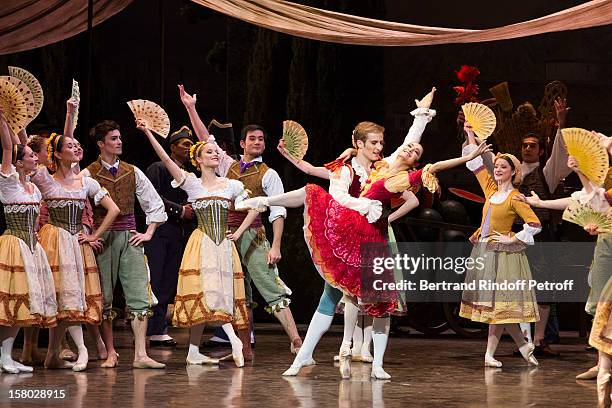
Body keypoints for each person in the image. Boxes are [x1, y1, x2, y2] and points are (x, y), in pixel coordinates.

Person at [238, 124, 491, 379]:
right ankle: (306, 355)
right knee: (329, 289)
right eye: (374, 143)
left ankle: (373, 360)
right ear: (360, 144)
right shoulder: (358, 167)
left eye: (382, 144)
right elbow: (332, 185)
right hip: (350, 233)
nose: (380, 148)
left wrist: (465, 155)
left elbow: (425, 161)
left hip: (376, 240)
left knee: (379, 303)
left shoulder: (393, 174)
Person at [179, 85, 300, 356]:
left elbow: (279, 211)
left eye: (261, 139)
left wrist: (276, 245)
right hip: (223, 234)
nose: (257, 142)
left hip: (253, 234)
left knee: (269, 285)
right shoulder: (226, 165)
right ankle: (244, 345)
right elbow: (203, 138)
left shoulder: (269, 174)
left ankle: (296, 340)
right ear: (242, 143)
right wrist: (191, 107)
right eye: (252, 139)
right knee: (237, 291)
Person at [138, 120, 258, 367]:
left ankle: (195, 351)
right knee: (206, 293)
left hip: (223, 246)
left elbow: (255, 207)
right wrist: (149, 133)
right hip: (202, 244)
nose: (215, 154)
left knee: (218, 293)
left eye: (216, 152)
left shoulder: (231, 185)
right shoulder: (193, 184)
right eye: (209, 152)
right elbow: (167, 160)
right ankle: (227, 342)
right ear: (199, 160)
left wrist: (239, 231)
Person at [82, 120, 167, 369]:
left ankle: (140, 353)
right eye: (113, 138)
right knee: (105, 298)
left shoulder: (132, 171)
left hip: (130, 235)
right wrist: (91, 235)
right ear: (101, 144)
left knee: (139, 295)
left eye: (120, 138)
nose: (119, 142)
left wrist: (149, 232)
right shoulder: (87, 174)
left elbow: (153, 203)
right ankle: (110, 352)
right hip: (104, 239)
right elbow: (77, 209)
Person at [459, 122, 541, 368]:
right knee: (497, 309)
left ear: (513, 172)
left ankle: (494, 353)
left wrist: (511, 238)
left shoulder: (515, 197)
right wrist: (470, 135)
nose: (497, 170)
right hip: (485, 251)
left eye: (502, 167)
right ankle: (522, 347)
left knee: (500, 307)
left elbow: (534, 223)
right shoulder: (491, 190)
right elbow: (474, 165)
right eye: (496, 166)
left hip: (504, 255)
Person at [0, 110, 57, 373]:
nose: (36, 158)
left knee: (24, 303)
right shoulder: (9, 183)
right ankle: (4, 356)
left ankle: (7, 356)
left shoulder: (33, 188)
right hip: (13, 245)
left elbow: (21, 145)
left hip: (31, 247)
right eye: (31, 156)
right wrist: (3, 119)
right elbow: (9, 146)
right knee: (11, 301)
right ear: (19, 163)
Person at [144, 126, 196, 347]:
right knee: (156, 278)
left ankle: (158, 327)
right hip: (159, 230)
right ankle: (152, 327)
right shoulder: (158, 168)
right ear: (172, 147)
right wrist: (180, 210)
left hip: (178, 233)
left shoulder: (191, 174)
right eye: (184, 144)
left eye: (191, 144)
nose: (189, 148)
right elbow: (152, 196)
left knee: (168, 280)